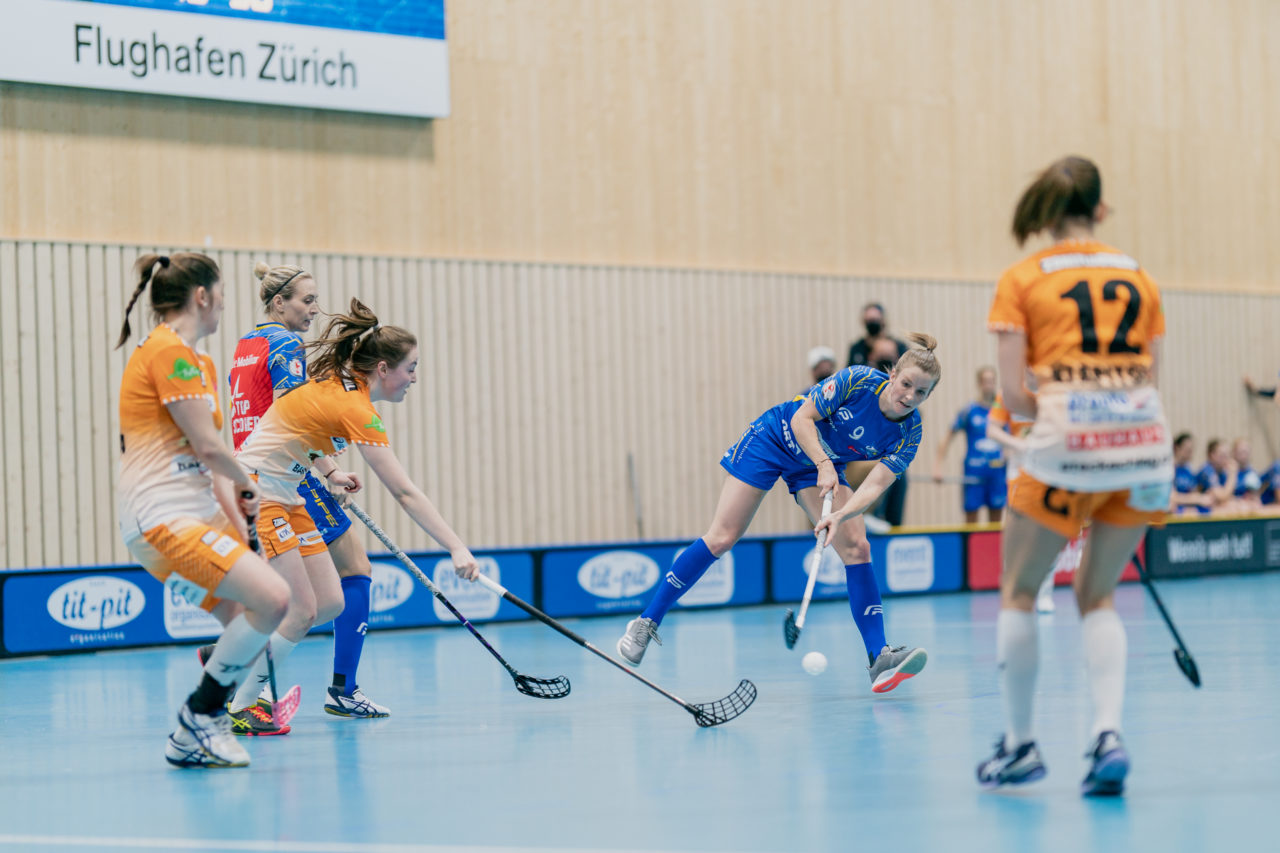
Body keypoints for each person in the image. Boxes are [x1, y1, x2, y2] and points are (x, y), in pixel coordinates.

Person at [976, 156, 1173, 797]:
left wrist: (1050, 413)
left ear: (1046, 208)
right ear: (1101, 211)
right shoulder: (1140, 276)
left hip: (1067, 446)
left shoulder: (1022, 277)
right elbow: (1152, 378)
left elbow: (1015, 392)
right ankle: (1107, 734)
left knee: (1018, 590)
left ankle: (1020, 745)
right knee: (1098, 594)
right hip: (1145, 446)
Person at [617, 335, 941, 693]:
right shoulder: (858, 380)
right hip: (775, 439)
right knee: (723, 536)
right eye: (906, 384)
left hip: (819, 465)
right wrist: (823, 463)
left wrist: (840, 515)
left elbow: (875, 486)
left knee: (857, 548)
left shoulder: (910, 431)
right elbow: (803, 418)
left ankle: (878, 658)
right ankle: (646, 622)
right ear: (892, 374)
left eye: (921, 393)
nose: (909, 397)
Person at [228, 297, 481, 719]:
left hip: (288, 491)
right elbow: (404, 492)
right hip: (256, 491)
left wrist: (329, 472)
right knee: (302, 609)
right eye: (411, 368)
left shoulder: (342, 383)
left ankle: (236, 666)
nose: (414, 378)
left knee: (329, 602)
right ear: (383, 369)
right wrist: (456, 547)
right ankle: (241, 703)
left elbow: (299, 423)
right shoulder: (356, 410)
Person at [115, 253, 290, 768]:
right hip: (163, 519)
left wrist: (240, 513)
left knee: (245, 622)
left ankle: (188, 741)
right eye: (222, 294)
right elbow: (211, 448)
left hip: (195, 514)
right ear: (201, 297)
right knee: (275, 599)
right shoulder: (168, 354)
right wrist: (248, 480)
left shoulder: (201, 361)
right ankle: (201, 716)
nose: (223, 306)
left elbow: (213, 467)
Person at [202, 263, 391, 735]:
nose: (314, 310)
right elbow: (296, 412)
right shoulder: (286, 344)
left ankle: (236, 657)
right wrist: (327, 470)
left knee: (326, 601)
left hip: (269, 469)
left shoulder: (247, 344)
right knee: (345, 581)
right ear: (278, 302)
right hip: (280, 476)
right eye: (307, 300)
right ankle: (329, 690)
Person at [985, 391, 1057, 613]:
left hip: (1050, 464)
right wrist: (1016, 444)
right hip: (1019, 465)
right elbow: (992, 429)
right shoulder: (1008, 392)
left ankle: (1045, 592)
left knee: (1049, 529)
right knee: (1017, 530)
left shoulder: (1052, 389)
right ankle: (1012, 589)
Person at [932, 366, 1006, 524]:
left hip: (997, 473)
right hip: (974, 472)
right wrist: (938, 467)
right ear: (979, 384)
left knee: (996, 522)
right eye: (985, 381)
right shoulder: (969, 411)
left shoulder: (1002, 412)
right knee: (971, 520)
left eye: (992, 381)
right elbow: (947, 437)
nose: (989, 385)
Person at [846, 303, 909, 369]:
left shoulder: (898, 346)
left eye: (875, 320)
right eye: (869, 320)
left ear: (883, 320)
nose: (872, 324)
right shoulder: (856, 348)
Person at [1170, 432, 1212, 515]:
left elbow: (1194, 491)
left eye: (1191, 450)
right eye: (1187, 450)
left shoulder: (1189, 469)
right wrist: (1197, 499)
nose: (1190, 454)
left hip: (1189, 505)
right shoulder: (1170, 469)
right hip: (1176, 507)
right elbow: (1172, 497)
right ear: (1177, 448)